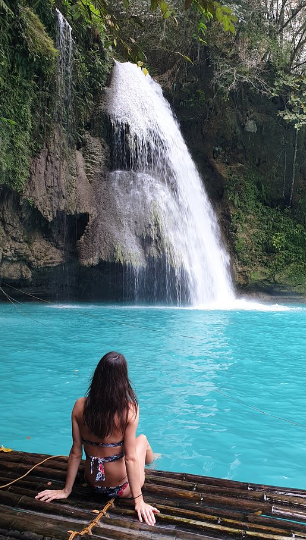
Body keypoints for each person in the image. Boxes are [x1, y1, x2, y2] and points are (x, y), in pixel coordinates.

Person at [35, 351, 160, 526]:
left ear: (97, 376)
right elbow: (130, 458)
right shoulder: (129, 410)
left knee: (129, 447)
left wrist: (66, 490)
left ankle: (150, 461)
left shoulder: (80, 405)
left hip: (93, 484)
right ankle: (152, 462)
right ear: (123, 379)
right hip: (123, 489)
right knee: (143, 439)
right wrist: (139, 501)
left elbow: (76, 452)